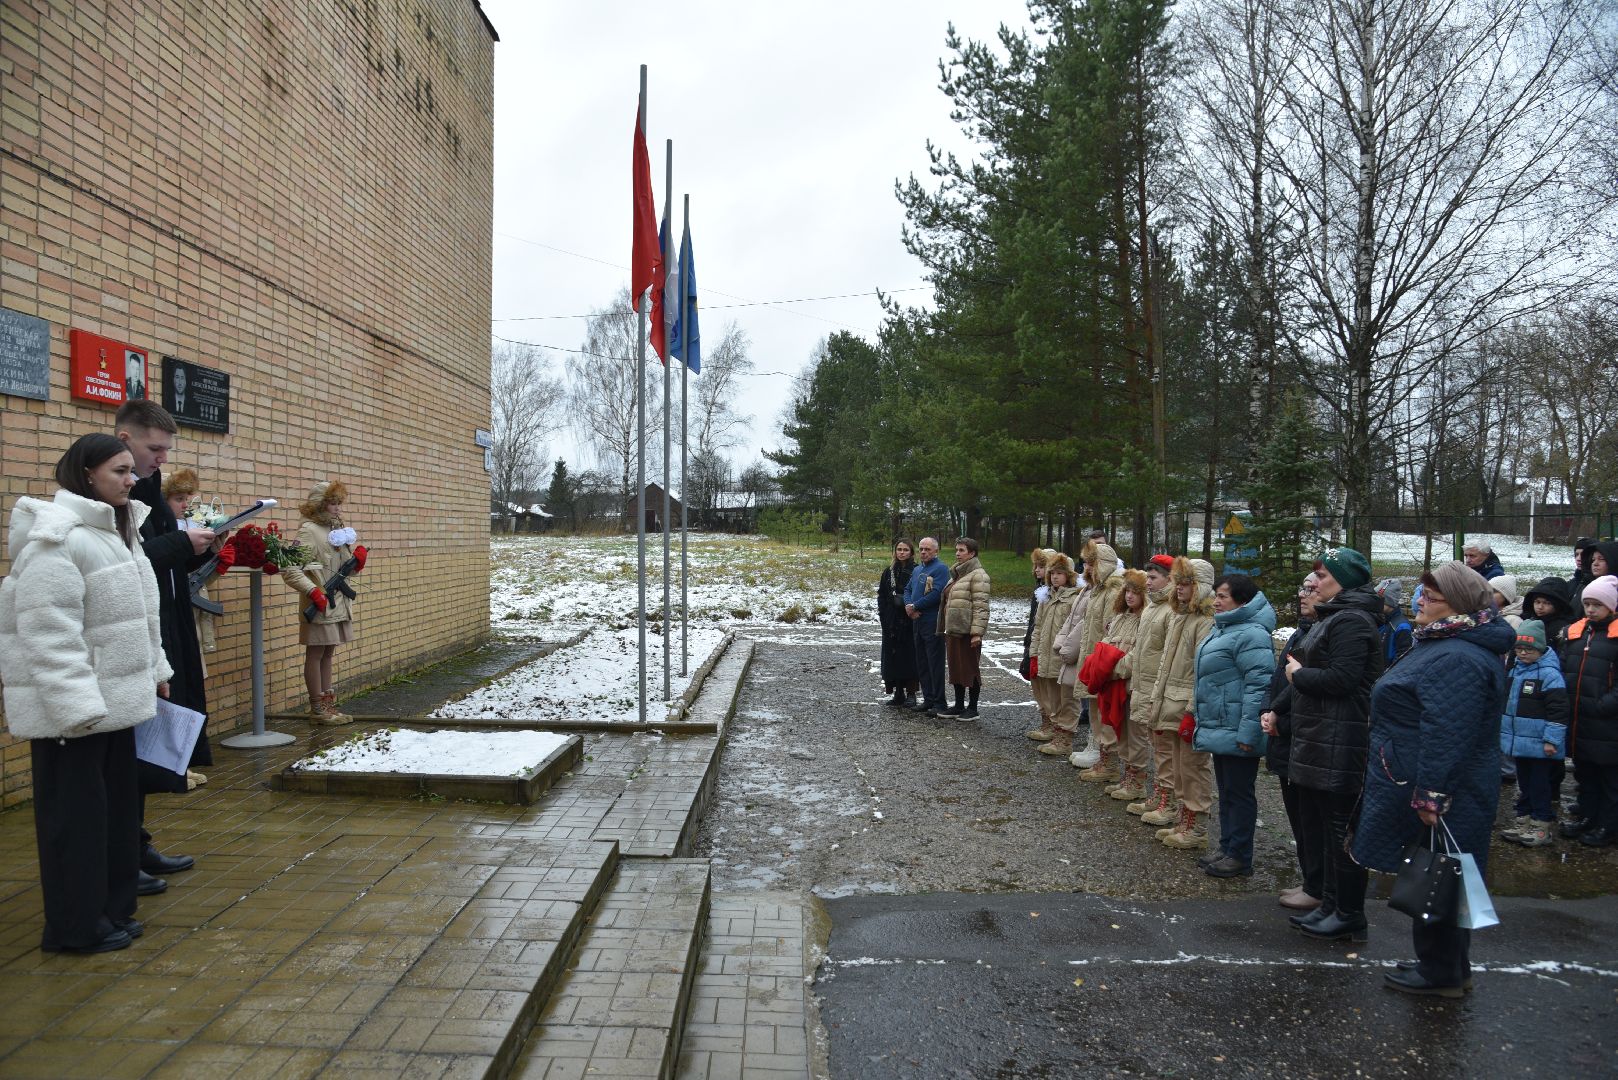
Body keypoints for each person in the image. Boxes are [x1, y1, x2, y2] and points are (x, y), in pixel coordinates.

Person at [0, 435, 174, 953]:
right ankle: (74, 928)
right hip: (74, 716)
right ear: (87, 473)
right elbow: (48, 632)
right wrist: (75, 708)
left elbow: (140, 614)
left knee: (114, 817)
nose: (132, 479)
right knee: (74, 827)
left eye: (130, 471)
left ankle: (109, 909)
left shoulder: (117, 530)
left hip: (116, 705)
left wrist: (155, 668)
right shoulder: (57, 537)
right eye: (119, 470)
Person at [1353, 560, 1513, 998]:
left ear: (1457, 605)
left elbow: (1448, 733)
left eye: (1430, 597)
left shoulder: (1457, 656)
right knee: (1445, 875)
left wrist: (1431, 795)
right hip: (1429, 780)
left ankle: (1441, 973)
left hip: (1444, 789)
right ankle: (1444, 966)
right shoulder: (1445, 643)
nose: (1417, 601)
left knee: (1441, 875)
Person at [115, 399, 212, 890]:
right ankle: (121, 858)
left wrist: (201, 549)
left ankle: (137, 845)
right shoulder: (112, 493)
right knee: (129, 754)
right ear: (126, 439)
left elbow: (162, 566)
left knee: (147, 746)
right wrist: (179, 544)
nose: (161, 459)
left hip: (165, 630)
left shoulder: (147, 489)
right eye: (155, 448)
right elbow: (125, 563)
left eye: (165, 450)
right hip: (132, 640)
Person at [1285, 547, 1383, 943]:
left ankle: (1348, 912)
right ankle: (1329, 903)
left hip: (1341, 738)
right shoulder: (1337, 618)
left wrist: (1299, 674)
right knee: (1326, 827)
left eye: (1323, 576)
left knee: (1341, 829)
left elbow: (1343, 679)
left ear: (1344, 580)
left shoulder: (1353, 622)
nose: (1315, 583)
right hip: (1322, 735)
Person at [1192, 574, 1276, 877]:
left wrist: (1249, 732)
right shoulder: (1224, 628)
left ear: (1241, 600)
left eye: (1223, 596)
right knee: (1227, 791)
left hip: (1237, 727)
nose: (1216, 601)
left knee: (1239, 793)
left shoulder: (1251, 634)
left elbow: (1259, 686)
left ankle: (1240, 856)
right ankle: (1227, 847)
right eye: (1216, 595)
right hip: (1221, 725)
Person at [1262, 572, 1323, 909]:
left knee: (1311, 818)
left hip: (1301, 735)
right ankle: (1311, 879)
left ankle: (1317, 885)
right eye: (1303, 587)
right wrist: (1268, 709)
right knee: (1298, 815)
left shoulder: (1323, 634)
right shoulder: (1302, 630)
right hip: (1285, 732)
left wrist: (1281, 719)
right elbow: (1279, 680)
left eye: (1313, 589)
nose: (1304, 594)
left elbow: (1309, 688)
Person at [282, 481, 366, 724]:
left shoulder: (336, 530)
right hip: (319, 603)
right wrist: (313, 592)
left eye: (339, 503)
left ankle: (328, 706)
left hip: (337, 602)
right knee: (316, 652)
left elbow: (342, 569)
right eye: (332, 503)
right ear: (320, 505)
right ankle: (317, 709)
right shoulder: (309, 531)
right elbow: (289, 569)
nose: (338, 509)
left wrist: (356, 563)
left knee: (328, 652)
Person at [1150, 557, 1217, 850]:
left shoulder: (1205, 621)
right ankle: (1183, 817)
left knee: (1192, 768)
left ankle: (1197, 825)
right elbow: (1166, 664)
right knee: (1178, 766)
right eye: (1178, 582)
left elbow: (1203, 671)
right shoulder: (1179, 617)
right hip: (1170, 702)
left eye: (1186, 582)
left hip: (1186, 705)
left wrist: (1192, 709)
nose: (1179, 588)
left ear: (1199, 586)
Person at [1499, 620, 1569, 848]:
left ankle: (1542, 825)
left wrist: (1552, 740)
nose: (1523, 653)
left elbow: (1558, 711)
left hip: (1540, 744)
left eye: (1528, 649)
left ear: (1540, 649)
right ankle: (1523, 820)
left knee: (1540, 786)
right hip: (1519, 743)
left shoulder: (1550, 674)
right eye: (1519, 649)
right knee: (1525, 784)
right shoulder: (1514, 670)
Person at [1559, 574, 1618, 846]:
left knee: (1609, 780)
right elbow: (1564, 666)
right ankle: (1587, 816)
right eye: (1587, 604)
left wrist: (1602, 705)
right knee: (1586, 774)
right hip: (1580, 719)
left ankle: (1608, 824)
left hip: (1607, 723)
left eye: (1598, 604)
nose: (1591, 609)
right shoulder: (1577, 632)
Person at [1122, 555, 1179, 822]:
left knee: (1165, 747)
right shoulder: (1152, 608)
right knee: (1155, 744)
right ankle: (1158, 793)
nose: (1149, 583)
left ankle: (1169, 800)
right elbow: (1142, 648)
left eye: (1154, 578)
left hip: (1159, 689)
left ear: (1170, 578)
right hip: (1144, 685)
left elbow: (1168, 655)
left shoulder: (1171, 610)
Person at [1070, 540, 1126, 781]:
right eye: (1085, 563)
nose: (1087, 568)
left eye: (1091, 563)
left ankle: (1107, 758)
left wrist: (1101, 660)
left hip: (1102, 657)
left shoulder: (1113, 590)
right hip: (1093, 655)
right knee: (1094, 706)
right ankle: (1097, 749)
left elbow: (1109, 628)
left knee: (1103, 709)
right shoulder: (1098, 589)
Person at [1098, 570, 1150, 803]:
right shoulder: (1121, 616)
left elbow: (1140, 654)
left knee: (1136, 733)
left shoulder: (1145, 619)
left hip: (1131, 683)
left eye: (1135, 592)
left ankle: (1137, 781)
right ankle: (1128, 776)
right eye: (1127, 591)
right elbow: (1107, 642)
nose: (1130, 596)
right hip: (1115, 682)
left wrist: (1114, 669)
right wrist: (1103, 665)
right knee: (1121, 730)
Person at [1031, 553, 1082, 756]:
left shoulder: (1075, 597)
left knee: (1067, 699)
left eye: (1060, 573)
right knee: (1052, 698)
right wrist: (1034, 651)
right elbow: (1038, 626)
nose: (1054, 577)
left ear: (1068, 575)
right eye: (1052, 573)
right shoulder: (1046, 596)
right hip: (1046, 655)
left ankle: (1065, 737)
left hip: (1065, 657)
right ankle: (1055, 730)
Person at [935, 537, 990, 720]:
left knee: (970, 668)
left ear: (972, 553)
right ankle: (959, 705)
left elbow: (981, 607)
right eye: (956, 550)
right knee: (956, 668)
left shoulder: (978, 575)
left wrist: (976, 633)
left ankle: (972, 708)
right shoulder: (958, 574)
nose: (957, 553)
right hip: (954, 630)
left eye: (962, 550)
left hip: (968, 632)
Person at [904, 537, 951, 715]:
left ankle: (939, 702)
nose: (923, 552)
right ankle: (928, 698)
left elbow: (937, 593)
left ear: (936, 551)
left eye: (928, 549)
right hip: (917, 620)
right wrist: (909, 606)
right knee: (922, 662)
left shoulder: (940, 569)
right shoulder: (917, 569)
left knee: (935, 662)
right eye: (921, 549)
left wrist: (915, 606)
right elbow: (908, 589)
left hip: (932, 621)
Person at [877, 539, 919, 707]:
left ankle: (911, 693)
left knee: (909, 657)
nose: (902, 552)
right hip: (891, 620)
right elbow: (882, 595)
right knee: (892, 656)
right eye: (899, 549)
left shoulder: (916, 571)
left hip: (909, 619)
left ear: (911, 552)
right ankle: (898, 692)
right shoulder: (889, 572)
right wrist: (884, 615)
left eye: (905, 550)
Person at [1019, 548, 1052, 686]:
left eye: (1041, 566)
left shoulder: (1049, 592)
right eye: (1036, 566)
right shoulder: (1038, 588)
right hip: (1034, 637)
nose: (1037, 570)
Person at [1523, 576, 1577, 648]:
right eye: (1537, 602)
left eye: (1547, 603)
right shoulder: (1528, 621)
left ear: (1558, 605)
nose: (1540, 607)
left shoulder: (1561, 628)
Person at [1375, 579, 1413, 665]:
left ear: (1390, 601)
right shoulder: (1380, 619)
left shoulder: (1402, 626)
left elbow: (1402, 661)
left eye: (1380, 599)